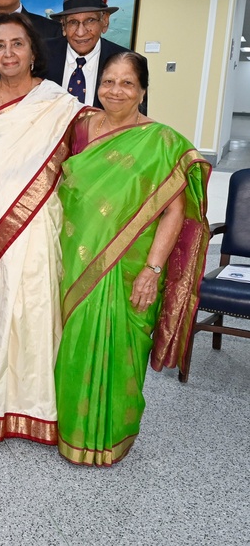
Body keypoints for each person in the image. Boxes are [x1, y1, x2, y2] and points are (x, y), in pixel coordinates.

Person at [54, 51, 210, 465]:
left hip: (131, 267)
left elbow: (174, 211)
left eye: (127, 83)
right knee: (73, 343)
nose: (116, 91)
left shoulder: (163, 142)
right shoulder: (81, 127)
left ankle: (111, 438)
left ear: (143, 90)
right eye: (108, 81)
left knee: (122, 350)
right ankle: (70, 431)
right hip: (76, 258)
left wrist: (152, 270)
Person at [0, 12, 81, 443]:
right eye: (0, 45)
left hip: (40, 226)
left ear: (32, 52)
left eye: (17, 44)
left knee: (35, 310)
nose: (8, 52)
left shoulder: (57, 104)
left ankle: (35, 405)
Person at [43, 0, 140, 112]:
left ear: (105, 22)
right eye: (73, 22)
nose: (80, 32)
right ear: (63, 26)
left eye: (90, 20)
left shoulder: (130, 63)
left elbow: (136, 121)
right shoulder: (41, 54)